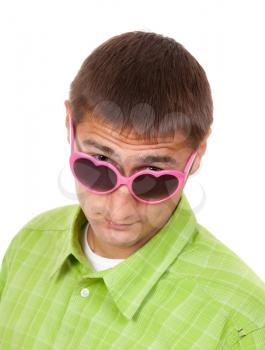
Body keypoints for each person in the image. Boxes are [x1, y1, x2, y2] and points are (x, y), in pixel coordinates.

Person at [0, 31, 264, 349]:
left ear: (198, 153)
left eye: (153, 178)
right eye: (98, 165)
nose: (119, 209)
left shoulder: (240, 323)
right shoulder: (30, 243)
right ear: (70, 124)